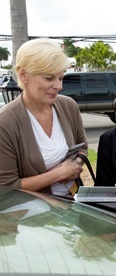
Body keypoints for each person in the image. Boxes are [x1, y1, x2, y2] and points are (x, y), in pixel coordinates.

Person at [0, 38, 87, 196]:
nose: (59, 86)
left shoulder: (69, 106)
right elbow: (6, 186)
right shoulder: (6, 122)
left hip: (73, 206)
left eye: (60, 78)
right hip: (32, 216)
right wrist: (59, 174)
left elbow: (82, 148)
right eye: (49, 78)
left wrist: (74, 164)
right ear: (24, 75)